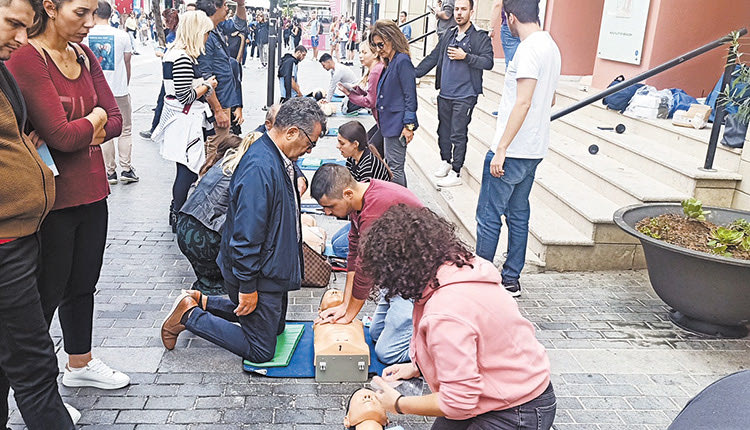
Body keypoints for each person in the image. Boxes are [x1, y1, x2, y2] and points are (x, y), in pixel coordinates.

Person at [7, 0, 129, 393]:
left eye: (93, 12)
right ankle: (37, 393)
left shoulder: (83, 53)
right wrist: (92, 119)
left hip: (92, 189)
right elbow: (61, 136)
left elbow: (116, 119)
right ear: (51, 8)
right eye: (81, 13)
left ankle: (80, 362)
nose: (89, 23)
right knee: (44, 294)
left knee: (83, 284)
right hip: (50, 198)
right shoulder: (28, 59)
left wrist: (88, 125)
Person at [160, 98, 327, 363]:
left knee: (277, 328)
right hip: (259, 272)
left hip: (271, 268)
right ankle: (189, 317)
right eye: (311, 142)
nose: (309, 150)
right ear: (292, 132)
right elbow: (245, 236)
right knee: (261, 350)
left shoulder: (274, 154)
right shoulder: (260, 167)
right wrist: (248, 285)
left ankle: (201, 302)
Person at [362, 205, 556, 430]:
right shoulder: (455, 269)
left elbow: (458, 402)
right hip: (511, 392)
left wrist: (398, 403)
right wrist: (418, 367)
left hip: (517, 409)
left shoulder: (445, 311)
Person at [0, 0, 80, 426]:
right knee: (34, 367)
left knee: (17, 363)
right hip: (5, 245)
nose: (19, 38)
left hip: (20, 236)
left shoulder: (3, 66)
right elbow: (65, 133)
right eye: (13, 24)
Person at [475, 0, 560, 297]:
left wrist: (501, 148)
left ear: (510, 17)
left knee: (488, 216)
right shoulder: (551, 46)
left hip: (513, 150)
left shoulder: (527, 50)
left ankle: (481, 279)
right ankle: (511, 278)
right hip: (534, 149)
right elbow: (550, 100)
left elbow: (523, 101)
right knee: (518, 215)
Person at [312, 164, 421, 364]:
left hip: (417, 282)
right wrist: (345, 306)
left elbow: (364, 271)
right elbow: (353, 253)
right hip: (396, 277)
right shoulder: (359, 199)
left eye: (330, 206)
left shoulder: (374, 208)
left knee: (387, 353)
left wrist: (349, 315)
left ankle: (433, 347)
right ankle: (414, 327)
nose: (327, 213)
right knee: (377, 335)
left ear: (347, 193)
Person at [151, 11, 218, 231]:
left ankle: (177, 212)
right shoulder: (181, 57)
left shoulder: (175, 54)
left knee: (186, 169)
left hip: (182, 120)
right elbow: (185, 96)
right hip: (185, 121)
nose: (208, 37)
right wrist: (207, 86)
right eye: (206, 32)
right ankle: (179, 214)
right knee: (187, 170)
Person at [415, 0, 493, 188]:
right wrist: (413, 73)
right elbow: (433, 57)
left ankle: (456, 171)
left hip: (466, 95)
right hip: (445, 93)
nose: (459, 13)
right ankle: (446, 161)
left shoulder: (479, 37)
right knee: (443, 130)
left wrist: (466, 57)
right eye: (456, 9)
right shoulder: (449, 35)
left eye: (463, 9)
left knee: (458, 132)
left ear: (471, 12)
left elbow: (488, 62)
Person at [177, 133, 254, 296]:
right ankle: (203, 305)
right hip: (205, 235)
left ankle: (199, 297)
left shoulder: (222, 165)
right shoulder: (243, 172)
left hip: (186, 225)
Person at [85, 1, 139, 185]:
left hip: (96, 92)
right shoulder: (122, 35)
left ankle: (110, 172)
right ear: (110, 14)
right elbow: (127, 63)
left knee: (104, 130)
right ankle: (126, 168)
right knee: (125, 130)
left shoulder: (86, 36)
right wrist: (125, 83)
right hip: (119, 90)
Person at [329, 121, 392, 259]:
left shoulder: (367, 165)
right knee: (334, 241)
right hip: (362, 213)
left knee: (338, 247)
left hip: (378, 220)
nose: (338, 146)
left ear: (355, 144)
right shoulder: (352, 159)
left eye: (342, 143)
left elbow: (361, 201)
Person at [368, 19, 418, 187]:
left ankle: (401, 207)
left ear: (392, 39)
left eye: (380, 44)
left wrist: (409, 126)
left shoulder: (402, 61)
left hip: (397, 124)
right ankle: (401, 205)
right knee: (392, 166)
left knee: (395, 169)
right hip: (388, 123)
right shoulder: (390, 63)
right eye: (375, 46)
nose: (378, 50)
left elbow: (410, 96)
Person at [195, 0, 246, 160]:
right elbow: (206, 78)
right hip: (218, 102)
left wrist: (241, 5)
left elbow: (239, 25)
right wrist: (217, 110)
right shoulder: (206, 36)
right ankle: (206, 180)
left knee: (221, 146)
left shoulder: (216, 28)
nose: (227, 9)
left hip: (225, 100)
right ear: (215, 8)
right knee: (215, 148)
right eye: (224, 5)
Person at [337, 41, 385, 153]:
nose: (360, 56)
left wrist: (350, 94)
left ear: (375, 54)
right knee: (368, 145)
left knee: (369, 152)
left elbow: (370, 102)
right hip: (383, 121)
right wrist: (354, 90)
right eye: (360, 52)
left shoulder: (376, 71)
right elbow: (372, 94)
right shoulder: (375, 70)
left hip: (386, 122)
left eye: (364, 52)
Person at [489, 0, 521, 67]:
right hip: (529, 24)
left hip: (511, 25)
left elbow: (497, 4)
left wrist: (491, 28)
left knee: (511, 64)